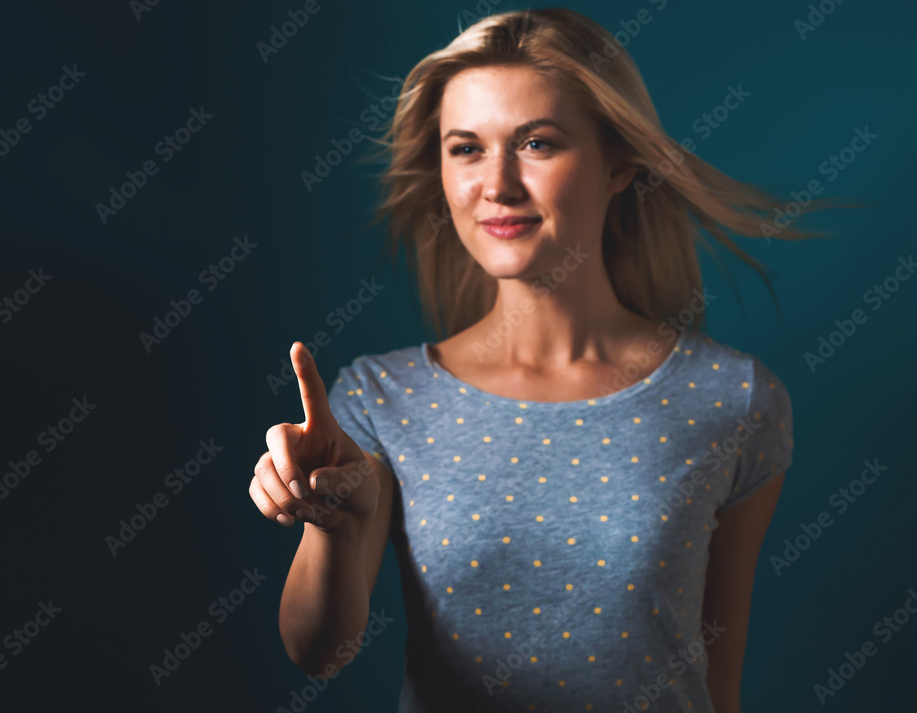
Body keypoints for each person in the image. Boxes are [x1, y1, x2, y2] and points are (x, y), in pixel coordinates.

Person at [250, 8, 826, 712]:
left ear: (619, 162)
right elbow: (320, 653)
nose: (498, 184)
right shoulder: (379, 398)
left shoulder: (733, 398)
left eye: (537, 144)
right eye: (465, 148)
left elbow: (717, 683)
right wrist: (332, 522)